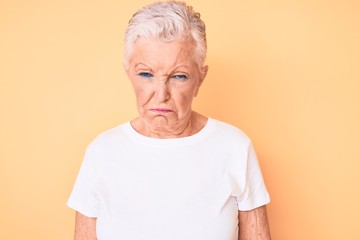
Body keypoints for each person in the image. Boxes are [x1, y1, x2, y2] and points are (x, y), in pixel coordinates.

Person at [67, 1, 271, 239]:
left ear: (200, 78)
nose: (161, 94)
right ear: (128, 73)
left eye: (179, 76)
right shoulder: (102, 151)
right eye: (145, 74)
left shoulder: (234, 147)